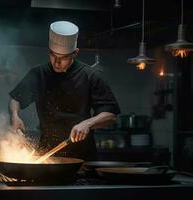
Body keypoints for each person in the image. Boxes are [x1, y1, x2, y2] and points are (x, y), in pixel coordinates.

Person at [9, 21, 120, 161]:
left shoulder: (90, 75)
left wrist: (87, 123)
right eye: (52, 55)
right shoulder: (38, 74)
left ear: (75, 53)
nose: (56, 62)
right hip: (47, 154)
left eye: (63, 57)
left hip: (82, 156)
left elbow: (111, 114)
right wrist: (15, 115)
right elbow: (16, 99)